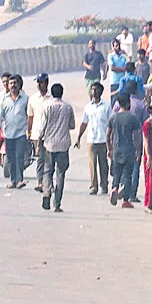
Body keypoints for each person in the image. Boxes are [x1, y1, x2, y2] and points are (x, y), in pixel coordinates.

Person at [38, 84, 75, 212]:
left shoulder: (47, 107)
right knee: (60, 174)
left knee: (47, 171)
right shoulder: (68, 107)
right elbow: (72, 125)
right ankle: (57, 204)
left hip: (49, 144)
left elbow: (42, 128)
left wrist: (38, 143)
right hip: (63, 145)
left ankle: (47, 193)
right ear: (62, 93)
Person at [113, 81, 149, 202]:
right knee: (133, 168)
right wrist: (139, 149)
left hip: (118, 141)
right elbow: (144, 123)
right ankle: (131, 193)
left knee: (119, 167)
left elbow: (112, 123)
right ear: (136, 90)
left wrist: (109, 145)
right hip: (133, 142)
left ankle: (119, 186)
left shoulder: (118, 105)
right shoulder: (140, 105)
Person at [75, 82, 111, 195]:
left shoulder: (106, 106)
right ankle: (93, 186)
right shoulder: (88, 107)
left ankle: (104, 185)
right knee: (92, 164)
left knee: (103, 164)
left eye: (96, 89)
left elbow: (111, 124)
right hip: (91, 139)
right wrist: (78, 138)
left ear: (101, 92)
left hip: (103, 140)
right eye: (92, 89)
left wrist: (111, 140)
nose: (94, 92)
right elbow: (84, 123)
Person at [106, 93, 141, 208]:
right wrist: (138, 151)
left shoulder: (114, 117)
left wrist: (109, 148)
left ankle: (115, 188)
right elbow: (136, 136)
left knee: (117, 173)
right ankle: (126, 200)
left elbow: (108, 134)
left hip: (116, 149)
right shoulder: (133, 118)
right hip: (129, 150)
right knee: (127, 175)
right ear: (127, 103)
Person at [0, 74, 28, 189]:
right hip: (8, 134)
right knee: (10, 158)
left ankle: (20, 180)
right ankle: (12, 180)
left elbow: (29, 114)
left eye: (15, 83)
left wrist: (29, 130)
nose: (13, 85)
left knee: (19, 157)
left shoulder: (25, 99)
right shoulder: (4, 99)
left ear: (19, 85)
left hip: (21, 133)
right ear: (8, 86)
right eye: (11, 83)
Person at [27, 73, 52, 192]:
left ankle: (49, 183)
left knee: (50, 160)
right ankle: (40, 182)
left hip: (49, 134)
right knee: (40, 159)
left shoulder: (51, 99)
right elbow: (30, 117)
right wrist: (29, 131)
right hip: (37, 134)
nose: (38, 85)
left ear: (46, 83)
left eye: (40, 82)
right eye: (37, 82)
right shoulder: (32, 99)